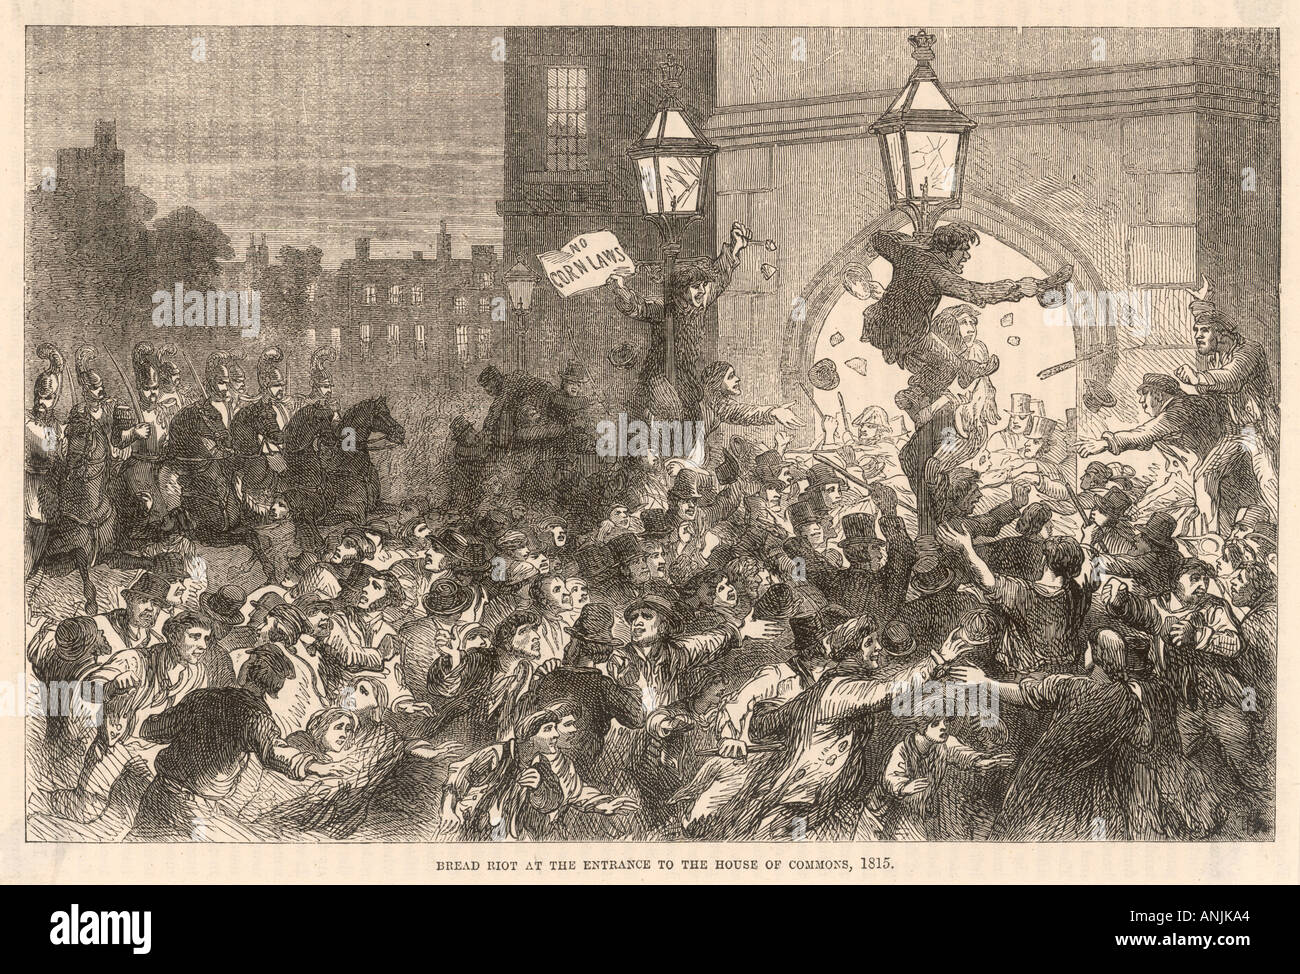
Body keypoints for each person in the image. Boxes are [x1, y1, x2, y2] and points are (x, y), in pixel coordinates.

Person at [127, 646, 339, 840]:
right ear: (275, 687)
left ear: (246, 671)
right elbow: (274, 752)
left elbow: (153, 730)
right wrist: (314, 766)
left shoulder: (202, 697)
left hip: (160, 793)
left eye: (247, 662)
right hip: (193, 810)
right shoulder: (257, 718)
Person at [858, 222, 1068, 386]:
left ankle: (964, 370)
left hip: (877, 326)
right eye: (963, 250)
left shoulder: (908, 252)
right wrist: (1018, 288)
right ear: (947, 250)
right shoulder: (938, 274)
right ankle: (915, 397)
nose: (966, 256)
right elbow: (975, 292)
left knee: (947, 359)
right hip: (906, 336)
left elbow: (880, 239)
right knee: (947, 365)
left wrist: (909, 243)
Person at [608, 221, 753, 422]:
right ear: (683, 290)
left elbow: (719, 280)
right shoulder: (667, 308)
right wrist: (620, 289)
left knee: (694, 409)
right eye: (696, 286)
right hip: (659, 377)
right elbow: (639, 308)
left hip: (684, 375)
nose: (702, 290)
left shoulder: (698, 305)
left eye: (703, 285)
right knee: (670, 411)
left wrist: (735, 246)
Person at [1176, 293, 1279, 529]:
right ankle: (1212, 537)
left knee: (1269, 482)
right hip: (1234, 433)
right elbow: (1213, 392)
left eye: (1204, 330)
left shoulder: (1250, 350)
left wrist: (1199, 378)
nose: (1197, 336)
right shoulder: (1217, 358)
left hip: (1260, 432)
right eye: (1196, 330)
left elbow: (1231, 378)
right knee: (1204, 477)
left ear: (1221, 333)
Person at [939, 524, 1096, 675]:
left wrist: (967, 548)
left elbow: (986, 581)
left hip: (1026, 669)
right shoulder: (1078, 591)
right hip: (1064, 663)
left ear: (1044, 561)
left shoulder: (1024, 593)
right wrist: (1087, 538)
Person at [875, 716, 1013, 840]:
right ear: (921, 727)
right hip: (896, 815)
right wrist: (903, 788)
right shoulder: (902, 749)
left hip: (925, 815)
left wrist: (982, 761)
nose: (944, 727)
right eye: (936, 723)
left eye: (946, 721)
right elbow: (891, 776)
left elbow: (962, 753)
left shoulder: (945, 744)